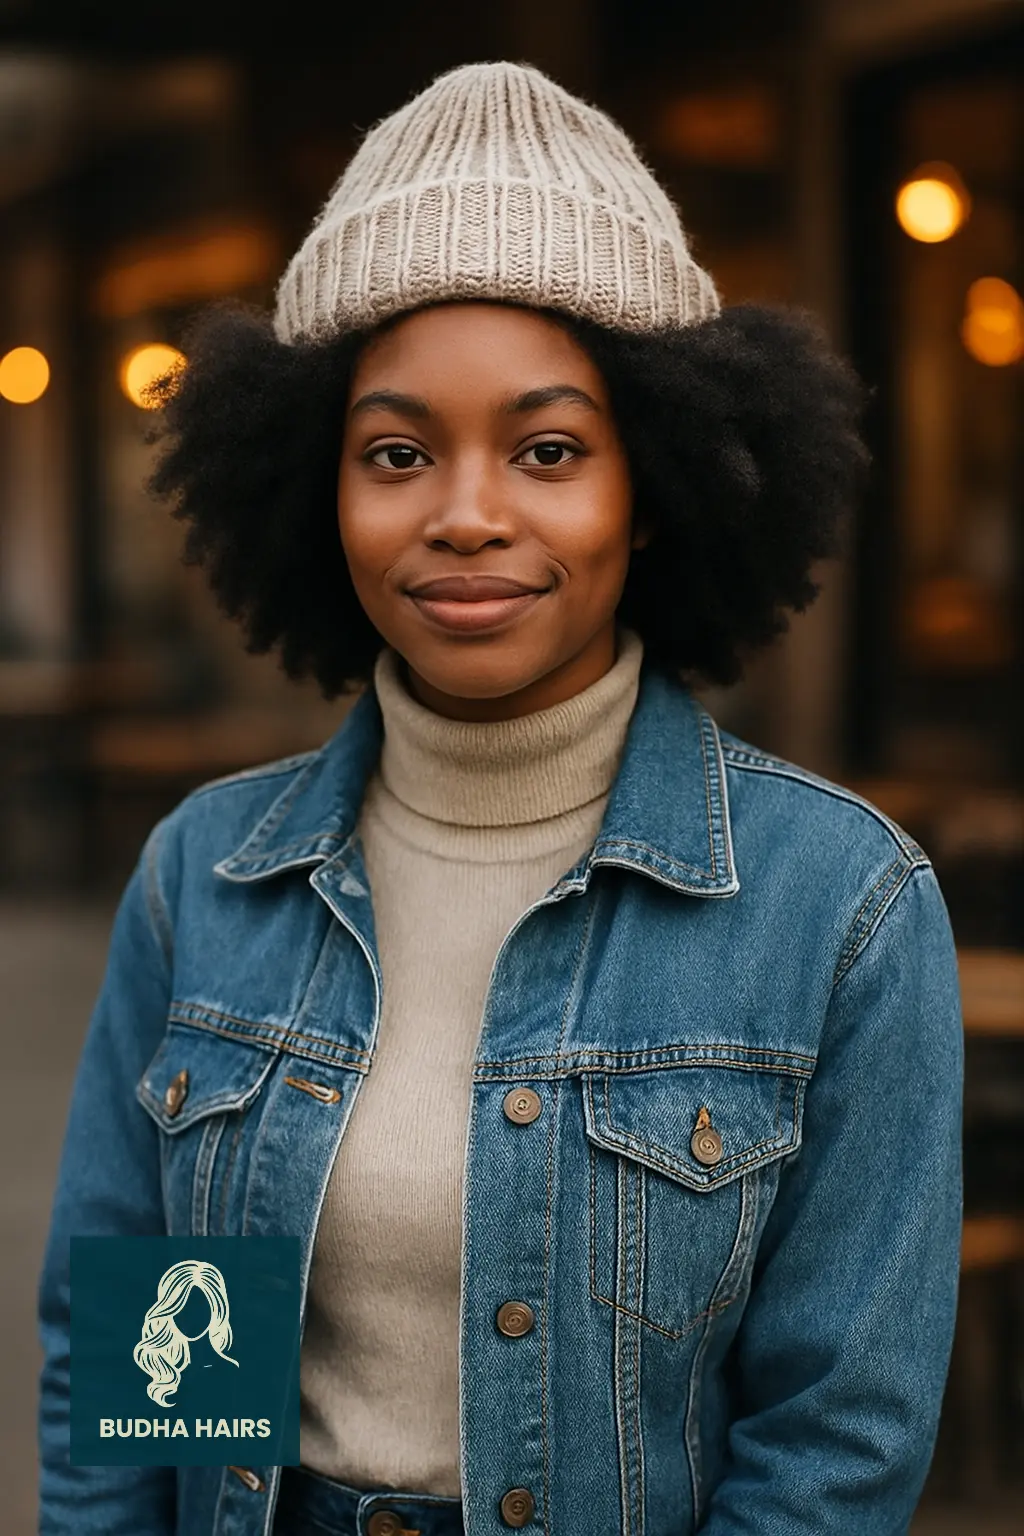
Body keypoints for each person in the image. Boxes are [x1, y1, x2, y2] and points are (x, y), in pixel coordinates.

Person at [37, 59, 963, 1536]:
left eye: (548, 450)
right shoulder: (202, 875)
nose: (467, 515)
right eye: (396, 453)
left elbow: (838, 1442)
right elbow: (147, 1378)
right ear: (316, 490)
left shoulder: (839, 908)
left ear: (649, 488)